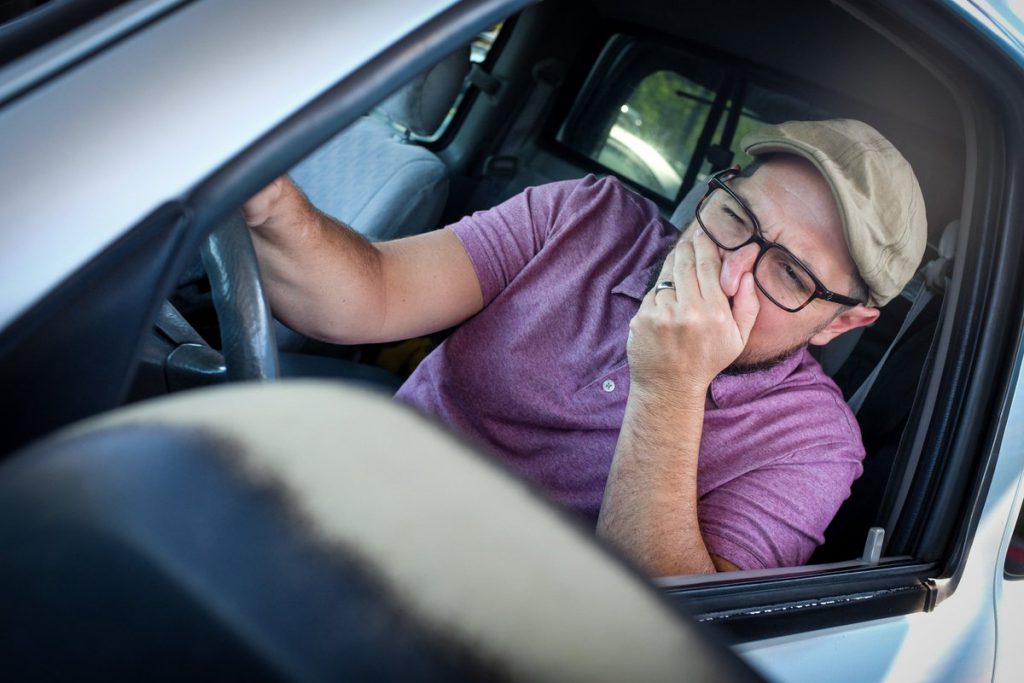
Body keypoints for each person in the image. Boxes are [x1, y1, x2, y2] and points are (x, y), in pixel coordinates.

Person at [243, 119, 927, 576]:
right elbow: (371, 293)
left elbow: (671, 637)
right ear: (710, 193)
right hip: (338, 518)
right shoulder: (586, 217)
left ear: (842, 323)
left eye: (790, 275)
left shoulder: (813, 443)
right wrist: (271, 203)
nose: (728, 274)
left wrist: (670, 387)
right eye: (735, 217)